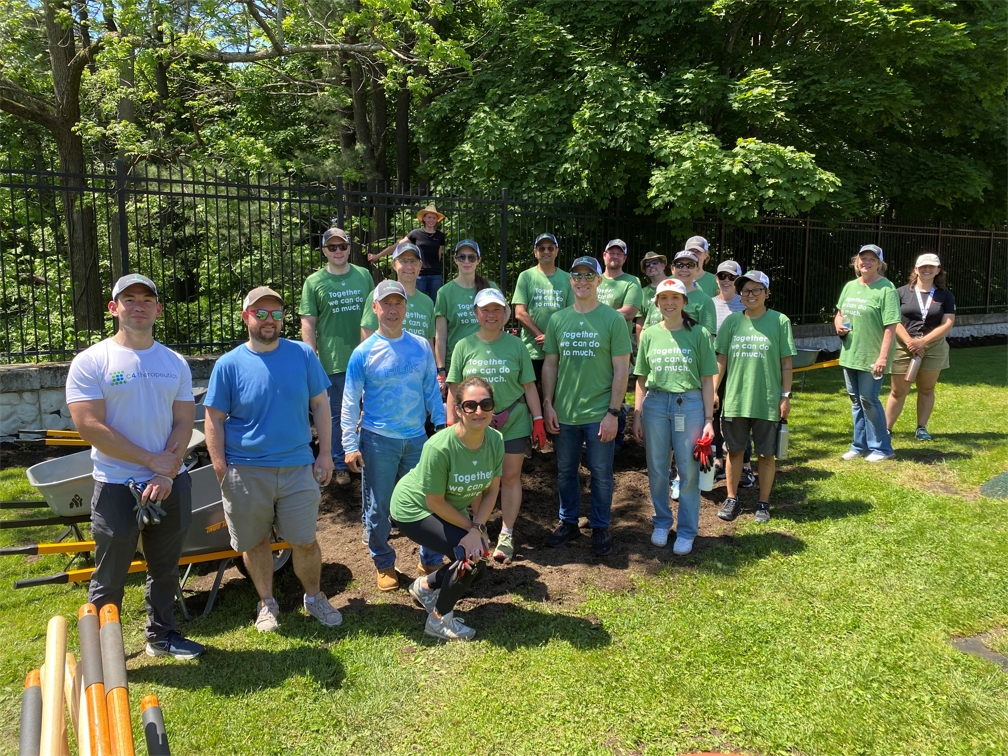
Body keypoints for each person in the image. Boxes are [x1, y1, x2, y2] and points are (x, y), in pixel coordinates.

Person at [66, 273, 204, 660]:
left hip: (169, 482)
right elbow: (88, 425)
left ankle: (161, 636)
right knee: (109, 575)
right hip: (114, 484)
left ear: (158, 309)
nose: (138, 305)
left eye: (147, 299)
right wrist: (149, 461)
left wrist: (165, 471)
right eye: (129, 300)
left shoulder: (173, 362)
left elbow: (183, 421)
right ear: (114, 309)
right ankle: (101, 655)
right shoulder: (92, 361)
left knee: (165, 567)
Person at [204, 286, 343, 632]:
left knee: (305, 540)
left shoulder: (302, 355)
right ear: (245, 317)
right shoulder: (229, 364)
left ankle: (314, 597)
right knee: (255, 542)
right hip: (246, 470)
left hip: (298, 467)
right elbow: (213, 419)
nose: (269, 320)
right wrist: (222, 469)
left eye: (276, 314)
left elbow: (321, 405)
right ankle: (267, 603)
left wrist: (325, 453)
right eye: (260, 313)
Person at [342, 281, 447, 590]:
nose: (392, 309)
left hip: (417, 439)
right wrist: (349, 444)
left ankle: (430, 557)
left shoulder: (420, 346)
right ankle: (384, 562)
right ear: (375, 308)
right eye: (385, 304)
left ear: (405, 307)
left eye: (397, 304)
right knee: (378, 507)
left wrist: (440, 428)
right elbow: (349, 401)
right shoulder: (363, 353)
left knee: (427, 501)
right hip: (378, 440)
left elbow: (431, 389)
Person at [390, 377, 503, 641]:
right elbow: (434, 502)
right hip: (413, 508)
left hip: (447, 508)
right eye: (470, 405)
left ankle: (425, 587)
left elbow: (491, 491)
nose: (478, 411)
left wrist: (478, 528)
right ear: (459, 409)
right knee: (469, 556)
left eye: (485, 404)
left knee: (478, 559)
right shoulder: (439, 447)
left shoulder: (495, 440)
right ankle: (439, 621)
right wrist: (471, 530)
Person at [446, 288, 547, 563]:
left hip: (513, 418)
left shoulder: (516, 346)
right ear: (476, 313)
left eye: (497, 310)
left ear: (505, 314)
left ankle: (507, 533)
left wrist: (538, 420)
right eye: (485, 310)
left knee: (510, 477)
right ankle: (480, 530)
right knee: (479, 481)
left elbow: (528, 385)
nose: (491, 315)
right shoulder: (464, 345)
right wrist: (450, 422)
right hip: (476, 423)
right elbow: (454, 388)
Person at [542, 256, 633, 557]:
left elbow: (622, 370)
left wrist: (613, 413)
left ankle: (600, 526)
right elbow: (551, 365)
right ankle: (568, 522)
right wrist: (548, 404)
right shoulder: (558, 319)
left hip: (599, 415)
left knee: (601, 473)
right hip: (564, 414)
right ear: (571, 281)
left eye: (588, 275)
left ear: (598, 280)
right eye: (576, 275)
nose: (582, 281)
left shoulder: (612, 319)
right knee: (566, 471)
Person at [632, 278, 717, 555]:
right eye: (664, 298)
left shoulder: (699, 334)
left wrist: (707, 419)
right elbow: (642, 379)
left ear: (684, 302)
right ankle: (661, 522)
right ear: (656, 303)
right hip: (655, 405)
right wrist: (636, 414)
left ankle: (687, 530)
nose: (669, 303)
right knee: (657, 468)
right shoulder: (650, 334)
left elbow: (707, 379)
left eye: (675, 298)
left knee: (688, 470)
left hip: (689, 404)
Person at [713, 271, 795, 523]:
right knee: (734, 452)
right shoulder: (731, 323)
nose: (750, 295)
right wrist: (715, 391)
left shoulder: (780, 321)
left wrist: (785, 396)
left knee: (766, 455)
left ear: (767, 294)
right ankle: (732, 498)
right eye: (746, 290)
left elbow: (786, 364)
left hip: (767, 400)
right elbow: (721, 360)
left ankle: (763, 503)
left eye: (756, 290)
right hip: (735, 399)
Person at [299, 227, 374, 486]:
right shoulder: (314, 282)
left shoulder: (364, 275)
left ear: (349, 248)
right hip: (332, 360)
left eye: (342, 246)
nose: (338, 251)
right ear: (324, 251)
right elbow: (308, 322)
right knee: (334, 413)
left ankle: (363, 458)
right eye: (332, 247)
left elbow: (373, 313)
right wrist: (311, 358)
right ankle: (339, 462)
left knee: (367, 410)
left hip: (364, 357)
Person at [834, 244, 900, 462]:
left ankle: (882, 447)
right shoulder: (850, 286)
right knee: (855, 400)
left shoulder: (886, 288)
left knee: (869, 399)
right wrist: (838, 325)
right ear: (857, 261)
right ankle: (859, 445)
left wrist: (882, 357)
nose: (866, 262)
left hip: (872, 355)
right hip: (851, 353)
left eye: (872, 259)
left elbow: (891, 326)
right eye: (863, 258)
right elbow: (840, 312)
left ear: (879, 263)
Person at [885, 253, 956, 441]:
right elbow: (894, 320)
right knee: (897, 390)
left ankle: (921, 428)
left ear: (938, 270)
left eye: (932, 266)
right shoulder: (900, 292)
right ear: (916, 269)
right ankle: (886, 429)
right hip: (903, 345)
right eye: (923, 266)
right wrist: (911, 342)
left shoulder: (945, 295)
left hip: (933, 347)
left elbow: (948, 323)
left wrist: (923, 342)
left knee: (926, 389)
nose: (927, 269)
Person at [710, 260, 755, 487]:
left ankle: (746, 465)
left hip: (741, 369)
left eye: (731, 277)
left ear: (738, 279)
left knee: (740, 415)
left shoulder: (745, 304)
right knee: (715, 414)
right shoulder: (709, 304)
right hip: (714, 368)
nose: (726, 281)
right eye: (721, 276)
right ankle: (719, 461)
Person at [596, 239, 642, 450]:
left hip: (617, 348)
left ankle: (617, 439)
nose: (614, 256)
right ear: (604, 255)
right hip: (591, 348)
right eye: (610, 253)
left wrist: (594, 314)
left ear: (624, 258)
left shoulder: (631, 282)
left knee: (618, 393)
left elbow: (629, 312)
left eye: (618, 253)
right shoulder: (594, 279)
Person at [512, 232, 572, 393]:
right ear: (535, 252)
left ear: (557, 251)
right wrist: (541, 336)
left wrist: (551, 338)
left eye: (550, 248)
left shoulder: (568, 278)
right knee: (529, 395)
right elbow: (519, 312)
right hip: (531, 349)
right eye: (541, 248)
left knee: (557, 397)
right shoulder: (526, 276)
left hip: (560, 348)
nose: (546, 251)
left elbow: (572, 313)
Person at [434, 239, 499, 382]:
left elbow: (505, 313)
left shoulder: (490, 288)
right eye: (461, 257)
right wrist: (441, 369)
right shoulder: (445, 292)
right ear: (455, 260)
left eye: (471, 257)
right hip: (457, 364)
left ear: (478, 260)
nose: (466, 261)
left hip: (487, 359)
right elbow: (441, 336)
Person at [360, 242, 435, 347]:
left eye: (413, 261)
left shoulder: (427, 303)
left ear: (420, 266)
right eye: (403, 261)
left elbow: (429, 345)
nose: (409, 266)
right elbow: (366, 342)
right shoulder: (379, 295)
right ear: (394, 264)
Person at [369, 203, 446, 300]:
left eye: (434, 218)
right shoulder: (416, 233)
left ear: (436, 220)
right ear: (424, 219)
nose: (431, 220)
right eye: (429, 217)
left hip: (435, 275)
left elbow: (438, 255)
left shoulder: (440, 236)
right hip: (419, 275)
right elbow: (398, 245)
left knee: (436, 303)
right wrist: (378, 256)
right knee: (415, 300)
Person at [671, 250, 717, 335]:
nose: (684, 269)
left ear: (697, 269)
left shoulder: (705, 301)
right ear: (672, 269)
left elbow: (708, 338)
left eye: (690, 265)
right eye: (679, 265)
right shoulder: (662, 296)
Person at [634, 251, 669, 337]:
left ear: (663, 265)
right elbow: (640, 323)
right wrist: (640, 348)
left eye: (655, 262)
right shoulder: (642, 293)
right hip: (653, 339)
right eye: (647, 264)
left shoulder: (676, 284)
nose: (651, 265)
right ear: (645, 271)